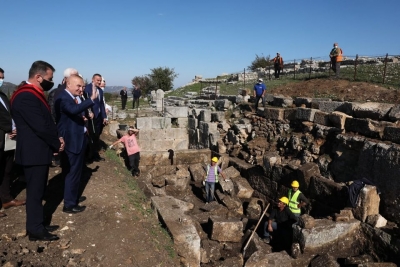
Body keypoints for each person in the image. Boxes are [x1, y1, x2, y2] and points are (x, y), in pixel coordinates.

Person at [10, 60, 64, 241]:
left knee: (39, 190)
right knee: (35, 193)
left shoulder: (32, 94)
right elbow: (40, 126)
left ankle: (38, 223)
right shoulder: (26, 96)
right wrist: (56, 143)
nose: (51, 82)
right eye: (49, 78)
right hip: (34, 152)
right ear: (38, 77)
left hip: (38, 151)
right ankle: (35, 230)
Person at [55, 75, 97, 214]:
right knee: (72, 172)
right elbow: (72, 110)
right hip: (72, 140)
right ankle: (69, 204)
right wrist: (91, 99)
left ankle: (72, 196)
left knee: (73, 171)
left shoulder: (71, 96)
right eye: (78, 86)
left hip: (78, 137)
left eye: (82, 86)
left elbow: (74, 113)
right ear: (68, 84)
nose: (81, 89)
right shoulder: (63, 97)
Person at [0, 68, 25, 218]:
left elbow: (8, 115)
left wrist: (14, 128)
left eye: (2, 77)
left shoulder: (2, 96)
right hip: (3, 135)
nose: (1, 80)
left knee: (7, 169)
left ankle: (6, 199)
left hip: (7, 140)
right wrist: (10, 128)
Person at [84, 74, 107, 162]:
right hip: (90, 116)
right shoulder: (87, 89)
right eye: (97, 80)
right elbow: (85, 101)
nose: (99, 82)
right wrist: (89, 112)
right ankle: (90, 155)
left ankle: (94, 153)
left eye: (100, 80)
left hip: (98, 116)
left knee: (96, 135)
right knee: (91, 136)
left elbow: (101, 104)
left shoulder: (100, 91)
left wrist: (104, 116)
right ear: (92, 79)